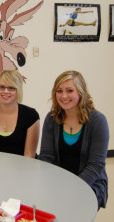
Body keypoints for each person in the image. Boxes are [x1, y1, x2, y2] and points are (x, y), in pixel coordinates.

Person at [39, 70, 109, 209]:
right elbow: (47, 158)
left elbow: (95, 165)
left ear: (80, 92)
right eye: (59, 91)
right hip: (59, 183)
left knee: (74, 209)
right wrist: (54, 188)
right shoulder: (51, 119)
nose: (64, 96)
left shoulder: (97, 121)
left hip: (90, 183)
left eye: (69, 90)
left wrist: (72, 190)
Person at [0, 70, 40, 157]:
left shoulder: (31, 115)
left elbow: (29, 157)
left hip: (22, 168)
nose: (5, 91)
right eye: (1, 87)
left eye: (11, 88)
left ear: (18, 90)